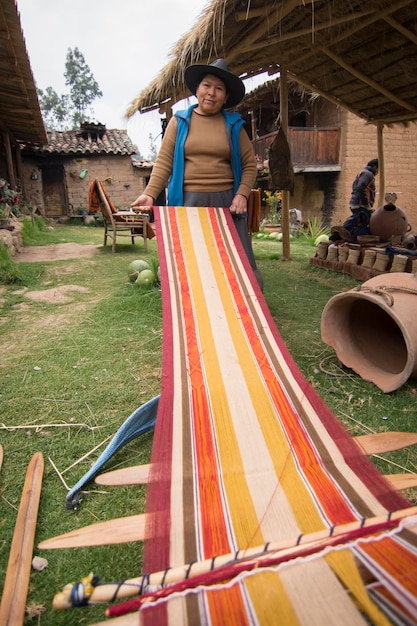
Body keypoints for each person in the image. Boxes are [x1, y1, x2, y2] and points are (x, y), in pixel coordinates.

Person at [132, 58, 262, 288]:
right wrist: (150, 193)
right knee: (193, 255)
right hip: (189, 200)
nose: (211, 93)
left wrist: (241, 195)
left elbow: (250, 165)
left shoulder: (234, 125)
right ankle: (195, 305)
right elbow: (164, 163)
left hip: (226, 202)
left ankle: (242, 303)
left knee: (234, 257)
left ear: (225, 96)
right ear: (197, 89)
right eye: (206, 85)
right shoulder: (180, 121)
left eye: (219, 88)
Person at [331, 158, 379, 242]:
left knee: (360, 223)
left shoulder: (363, 173)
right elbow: (360, 187)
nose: (378, 172)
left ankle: (348, 237)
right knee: (362, 221)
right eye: (378, 169)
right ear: (375, 167)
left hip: (357, 202)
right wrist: (366, 203)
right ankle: (344, 233)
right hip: (361, 204)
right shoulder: (368, 174)